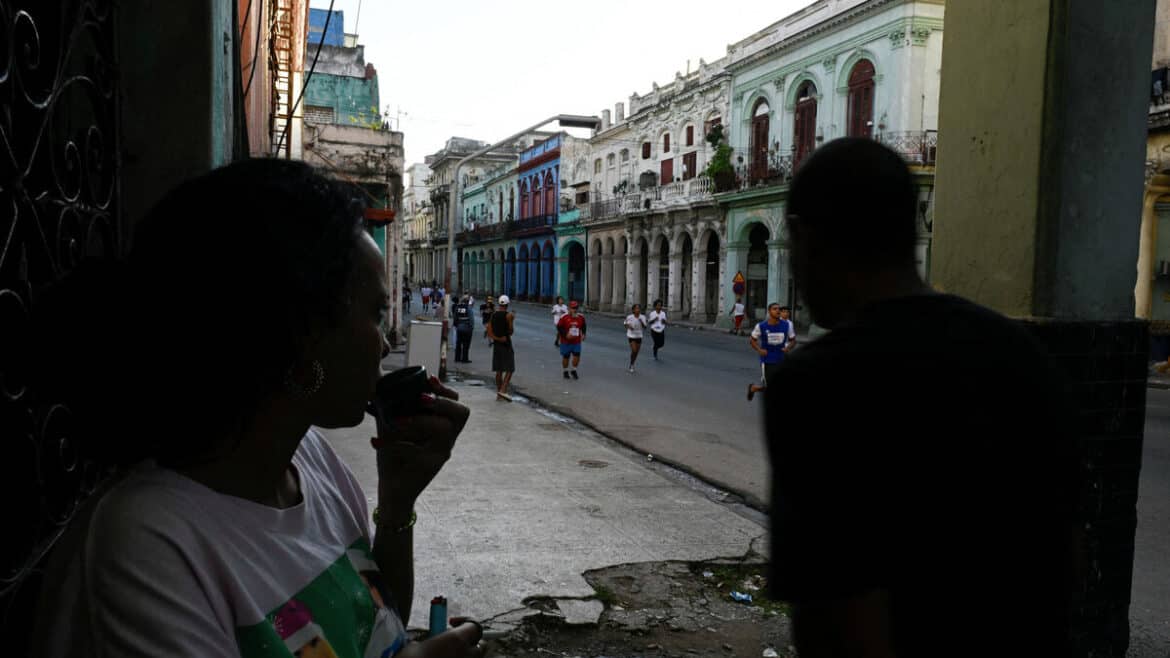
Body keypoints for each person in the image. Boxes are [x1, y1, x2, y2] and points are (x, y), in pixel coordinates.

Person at [31, 159, 484, 657]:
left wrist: (397, 507)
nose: (385, 343)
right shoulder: (145, 546)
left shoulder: (309, 461)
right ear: (303, 334)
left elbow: (379, 630)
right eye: (375, 314)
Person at [764, 138, 1076, 657]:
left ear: (801, 236)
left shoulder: (819, 383)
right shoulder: (1022, 353)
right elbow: (1066, 559)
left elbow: (839, 617)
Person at [747, 302, 795, 401]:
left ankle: (754, 388)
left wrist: (788, 348)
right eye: (774, 309)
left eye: (779, 309)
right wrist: (759, 350)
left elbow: (793, 340)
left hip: (782, 358)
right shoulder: (761, 326)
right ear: (769, 312)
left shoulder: (787, 325)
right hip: (768, 360)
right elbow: (752, 340)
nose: (778, 311)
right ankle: (753, 388)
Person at [487, 294, 516, 401]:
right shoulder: (509, 316)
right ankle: (503, 390)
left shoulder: (493, 315)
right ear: (507, 304)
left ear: (499, 304)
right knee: (510, 368)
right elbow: (511, 331)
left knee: (499, 370)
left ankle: (499, 394)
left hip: (497, 345)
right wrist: (512, 321)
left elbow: (489, 331)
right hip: (506, 344)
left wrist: (497, 339)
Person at [556, 300, 586, 379]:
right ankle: (565, 371)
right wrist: (566, 335)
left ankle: (574, 370)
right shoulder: (564, 317)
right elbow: (559, 327)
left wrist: (583, 334)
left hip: (576, 341)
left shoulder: (581, 317)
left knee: (577, 355)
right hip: (566, 341)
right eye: (573, 308)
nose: (575, 310)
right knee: (566, 356)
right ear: (569, 308)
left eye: (576, 308)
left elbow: (583, 325)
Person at [624, 303, 648, 373]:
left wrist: (641, 322)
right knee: (634, 350)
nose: (638, 310)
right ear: (633, 310)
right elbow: (625, 324)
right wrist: (629, 327)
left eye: (639, 308)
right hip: (631, 335)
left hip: (639, 335)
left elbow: (645, 327)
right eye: (636, 308)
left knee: (636, 352)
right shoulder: (630, 317)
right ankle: (631, 365)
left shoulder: (643, 317)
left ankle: (632, 363)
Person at [453, 295, 474, 363]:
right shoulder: (468, 308)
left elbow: (455, 317)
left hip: (459, 328)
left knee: (458, 343)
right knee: (466, 344)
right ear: (467, 301)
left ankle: (457, 358)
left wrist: (456, 326)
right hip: (467, 328)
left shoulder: (457, 307)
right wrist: (471, 328)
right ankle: (464, 359)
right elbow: (471, 319)